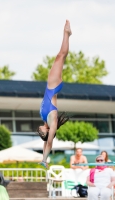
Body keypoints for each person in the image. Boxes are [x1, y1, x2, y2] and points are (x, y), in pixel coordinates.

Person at [37, 20, 72, 169]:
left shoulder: (46, 120)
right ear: (48, 132)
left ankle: (67, 34)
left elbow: (45, 142)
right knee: (60, 56)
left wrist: (43, 150)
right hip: (53, 86)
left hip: (50, 86)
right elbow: (49, 142)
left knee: (60, 57)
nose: (39, 130)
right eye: (41, 133)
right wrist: (44, 159)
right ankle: (67, 34)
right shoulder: (52, 122)